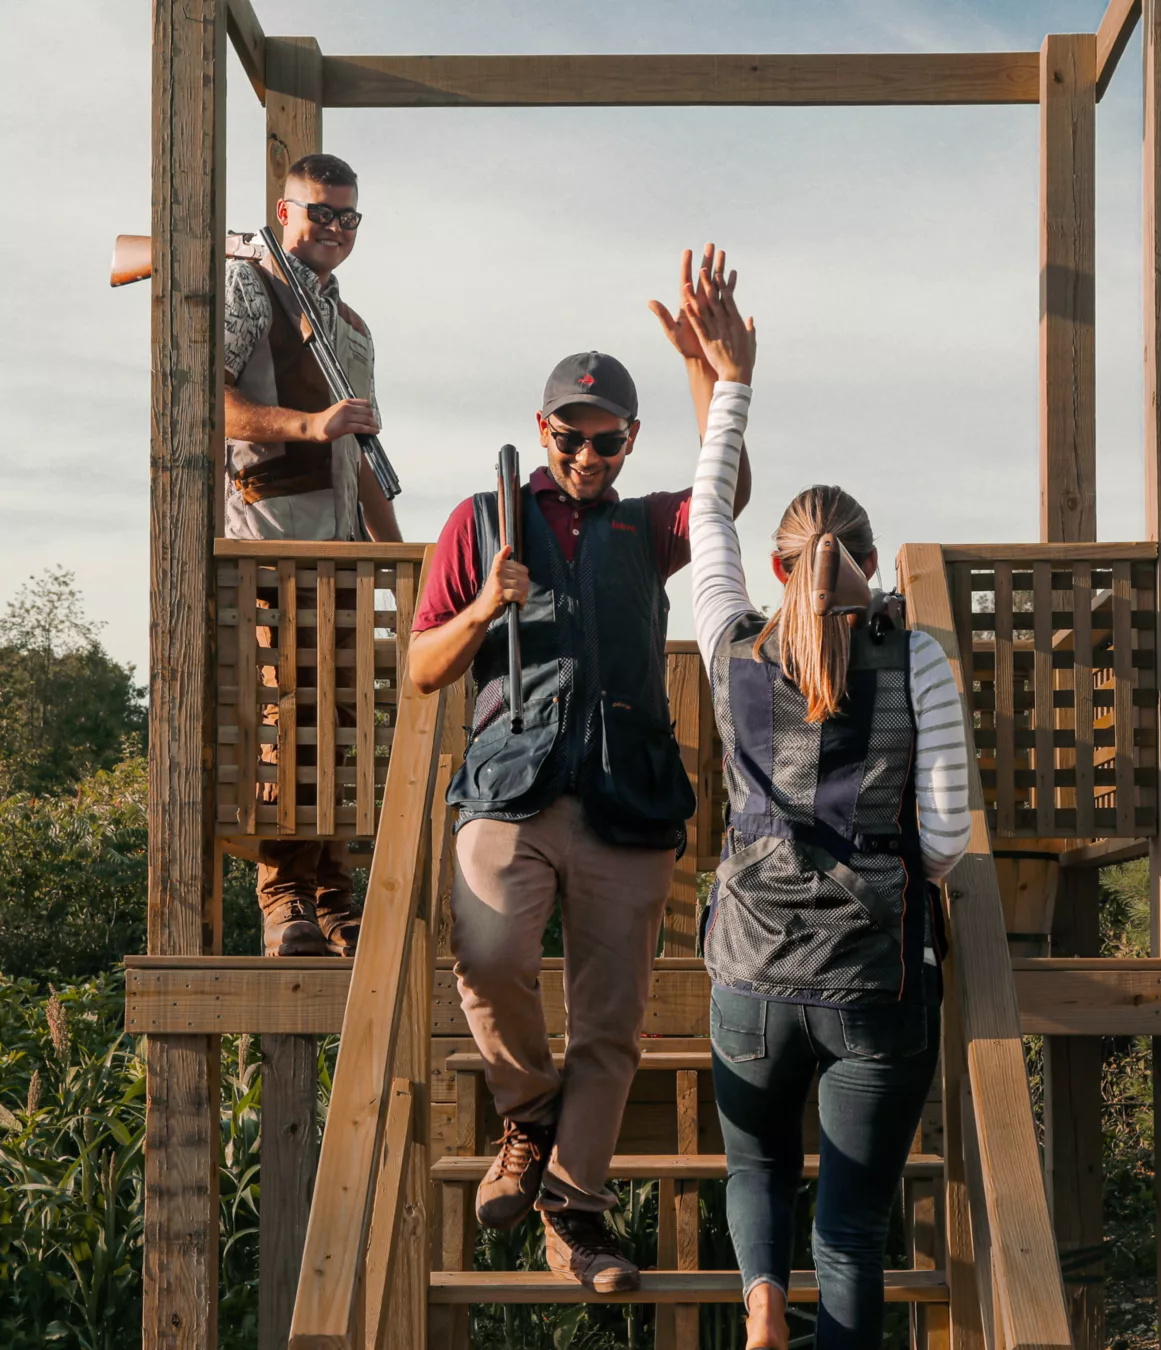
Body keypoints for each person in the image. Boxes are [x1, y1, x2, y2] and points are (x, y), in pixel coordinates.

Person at [406, 246, 752, 1293]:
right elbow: (422, 670)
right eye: (572, 435)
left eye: (609, 438)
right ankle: (527, 1116)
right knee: (489, 951)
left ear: (631, 439)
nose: (590, 452)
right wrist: (482, 606)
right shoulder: (481, 519)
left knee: (613, 1021)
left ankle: (578, 1219)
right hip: (508, 793)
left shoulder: (651, 526)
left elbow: (723, 483)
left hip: (626, 805)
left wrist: (720, 371)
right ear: (544, 428)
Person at [676, 259, 972, 1349]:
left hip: (751, 970)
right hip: (873, 982)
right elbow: (945, 837)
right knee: (851, 1224)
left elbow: (707, 514)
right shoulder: (920, 658)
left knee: (756, 1163)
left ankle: (759, 1313)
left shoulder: (729, 648)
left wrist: (730, 385)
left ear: (781, 559)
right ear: (866, 553)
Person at [223, 152, 402, 958]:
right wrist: (308, 425)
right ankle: (283, 897)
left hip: (345, 554)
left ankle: (334, 895)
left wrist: (404, 560)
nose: (332, 227)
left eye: (346, 217)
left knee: (344, 726)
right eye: (318, 212)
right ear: (283, 209)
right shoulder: (245, 282)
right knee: (280, 717)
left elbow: (361, 455)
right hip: (269, 541)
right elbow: (205, 400)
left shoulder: (355, 326)